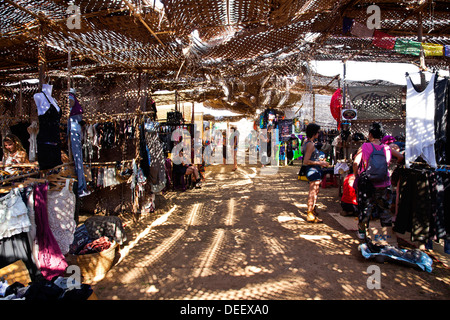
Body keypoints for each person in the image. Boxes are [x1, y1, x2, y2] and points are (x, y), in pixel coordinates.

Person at [353, 122, 404, 240]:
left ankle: (362, 233)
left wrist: (357, 175)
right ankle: (387, 235)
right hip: (384, 184)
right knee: (385, 210)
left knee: (365, 208)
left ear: (370, 134)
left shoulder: (365, 147)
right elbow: (401, 157)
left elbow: (356, 163)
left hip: (368, 184)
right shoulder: (387, 148)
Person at [301, 123, 329, 223]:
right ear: (314, 133)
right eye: (317, 132)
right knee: (313, 192)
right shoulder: (310, 145)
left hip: (314, 169)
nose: (319, 134)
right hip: (312, 170)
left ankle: (312, 210)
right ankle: (310, 212)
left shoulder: (307, 143)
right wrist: (320, 162)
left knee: (315, 191)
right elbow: (305, 161)